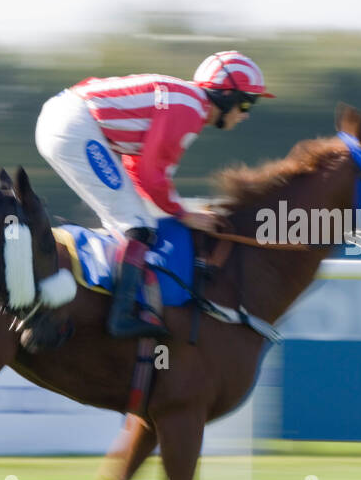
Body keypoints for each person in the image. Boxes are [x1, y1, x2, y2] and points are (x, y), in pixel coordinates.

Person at [36, 51, 272, 339]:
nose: (246, 114)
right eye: (246, 102)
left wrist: (175, 210)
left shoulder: (188, 104)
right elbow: (150, 173)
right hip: (74, 127)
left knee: (132, 223)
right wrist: (183, 214)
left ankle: (102, 298)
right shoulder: (189, 110)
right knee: (138, 227)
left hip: (69, 121)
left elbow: (139, 168)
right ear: (225, 96)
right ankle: (120, 317)